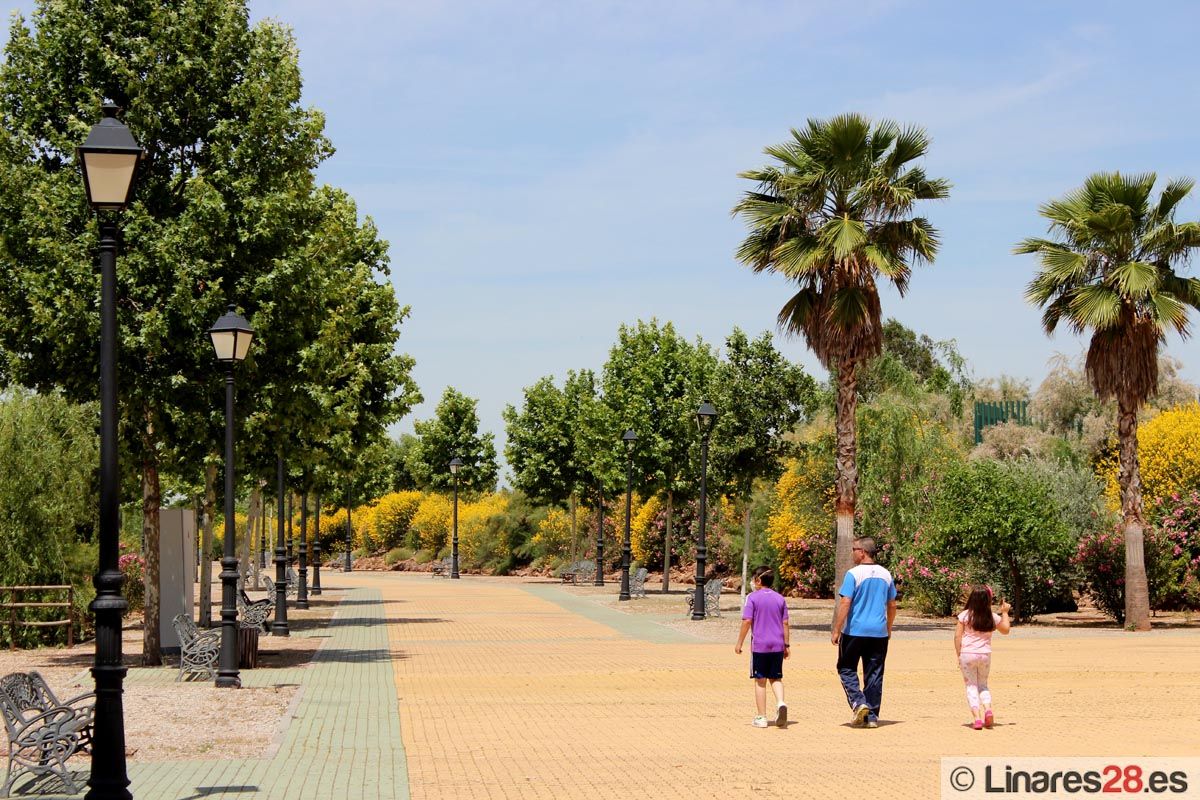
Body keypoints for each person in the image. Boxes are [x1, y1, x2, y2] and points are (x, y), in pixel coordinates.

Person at [831, 537, 896, 729]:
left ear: (862, 552)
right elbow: (892, 605)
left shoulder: (853, 574)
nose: (852, 553)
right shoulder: (886, 574)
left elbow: (845, 602)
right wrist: (888, 627)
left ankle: (859, 702)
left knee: (846, 667)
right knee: (874, 673)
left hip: (855, 630)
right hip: (878, 632)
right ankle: (872, 717)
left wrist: (837, 628)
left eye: (854, 549)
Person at [735, 567, 790, 728]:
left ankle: (761, 717)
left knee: (760, 680)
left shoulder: (752, 598)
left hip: (760, 646)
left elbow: (747, 621)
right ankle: (780, 702)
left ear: (759, 580)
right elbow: (785, 623)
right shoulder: (780, 599)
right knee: (776, 677)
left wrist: (739, 643)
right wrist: (786, 645)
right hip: (777, 645)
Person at [955, 585, 1012, 730]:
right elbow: (1006, 630)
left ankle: (977, 718)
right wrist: (1005, 612)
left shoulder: (965, 615)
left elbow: (957, 636)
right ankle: (988, 709)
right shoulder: (991, 616)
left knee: (971, 686)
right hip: (985, 654)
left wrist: (959, 654)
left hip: (967, 654)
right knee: (983, 685)